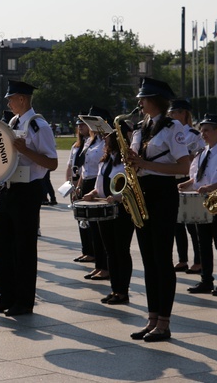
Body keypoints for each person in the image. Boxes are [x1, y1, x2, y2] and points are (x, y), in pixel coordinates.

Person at [0, 81, 58, 315]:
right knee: (0, 246)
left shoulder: (39, 126)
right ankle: (6, 296)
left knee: (24, 249)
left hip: (27, 191)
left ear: (23, 99)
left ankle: (24, 301)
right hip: (8, 188)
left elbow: (52, 162)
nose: (8, 102)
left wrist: (26, 150)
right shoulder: (14, 122)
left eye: (11, 98)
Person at [125, 77, 190, 342]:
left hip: (163, 194)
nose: (139, 103)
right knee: (149, 261)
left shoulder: (172, 126)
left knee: (162, 260)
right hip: (143, 193)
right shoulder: (141, 128)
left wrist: (145, 164)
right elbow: (138, 161)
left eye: (144, 98)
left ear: (156, 100)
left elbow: (183, 167)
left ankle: (164, 322)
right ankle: (151, 319)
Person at [178, 114, 217, 296]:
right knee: (203, 242)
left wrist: (210, 187)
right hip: (200, 201)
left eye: (207, 130)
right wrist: (187, 184)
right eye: (202, 130)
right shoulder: (202, 153)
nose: (203, 134)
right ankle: (206, 280)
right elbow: (197, 176)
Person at [81, 119, 134, 305]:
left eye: (108, 138)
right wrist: (91, 194)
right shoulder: (105, 161)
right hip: (105, 210)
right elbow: (98, 188)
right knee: (110, 251)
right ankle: (115, 289)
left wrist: (119, 197)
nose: (105, 140)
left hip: (122, 211)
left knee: (121, 250)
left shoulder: (127, 162)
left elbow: (132, 187)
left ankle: (123, 291)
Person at [168, 99, 204, 275]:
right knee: (176, 223)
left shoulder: (193, 135)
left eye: (174, 112)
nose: (171, 115)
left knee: (191, 223)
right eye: (171, 113)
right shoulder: (169, 132)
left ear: (183, 113)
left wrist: (187, 157)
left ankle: (198, 261)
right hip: (172, 179)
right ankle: (182, 259)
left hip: (187, 178)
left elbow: (200, 157)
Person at [76, 106, 111, 281]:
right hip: (88, 181)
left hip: (100, 181)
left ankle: (106, 266)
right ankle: (99, 265)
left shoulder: (107, 140)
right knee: (93, 228)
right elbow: (85, 165)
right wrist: (80, 184)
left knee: (101, 228)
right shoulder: (91, 140)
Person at [67, 115, 94, 264]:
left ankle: (92, 251)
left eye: (83, 125)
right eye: (79, 125)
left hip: (84, 183)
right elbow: (70, 166)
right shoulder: (76, 146)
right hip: (76, 183)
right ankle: (86, 250)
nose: (81, 127)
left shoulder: (91, 144)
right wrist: (69, 184)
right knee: (80, 219)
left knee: (89, 220)